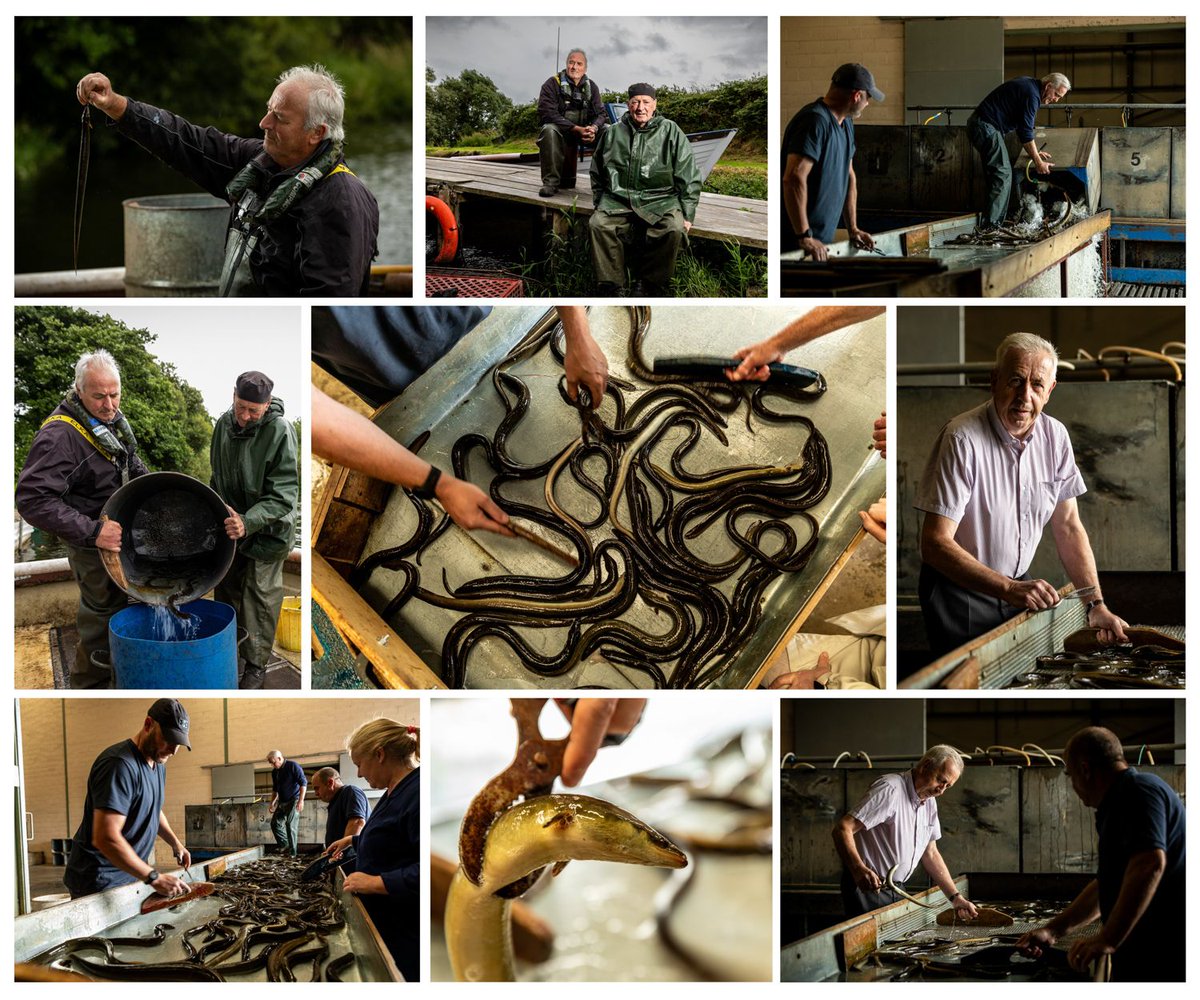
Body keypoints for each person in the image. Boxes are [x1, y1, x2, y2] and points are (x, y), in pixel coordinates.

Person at [75, 65, 379, 296]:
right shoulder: (259, 159)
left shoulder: (341, 201)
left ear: (317, 133)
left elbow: (327, 303)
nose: (264, 123)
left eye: (280, 118)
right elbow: (186, 142)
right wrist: (115, 105)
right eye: (268, 110)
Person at [914, 332, 1128, 657]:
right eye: (1015, 380)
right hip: (960, 593)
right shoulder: (962, 439)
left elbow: (1068, 525)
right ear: (994, 380)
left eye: (1037, 385)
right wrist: (1008, 588)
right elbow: (934, 544)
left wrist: (1095, 604)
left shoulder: (1055, 437)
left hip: (1016, 586)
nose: (1024, 397)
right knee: (969, 679)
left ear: (1050, 390)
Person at [311, 305, 609, 536]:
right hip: (399, 386)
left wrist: (578, 332)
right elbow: (317, 419)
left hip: (477, 319)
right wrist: (439, 484)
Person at [16, 350, 147, 688]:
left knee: (119, 611)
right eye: (99, 395)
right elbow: (32, 500)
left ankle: (116, 673)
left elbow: (133, 466)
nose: (109, 404)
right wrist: (93, 532)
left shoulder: (109, 421)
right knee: (101, 617)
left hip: (117, 535)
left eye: (115, 394)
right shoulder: (60, 436)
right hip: (91, 543)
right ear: (78, 390)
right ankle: (88, 684)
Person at [1018, 727, 1184, 982]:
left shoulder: (1138, 792)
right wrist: (1053, 930)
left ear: (1085, 770)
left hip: (1165, 953)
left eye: (1071, 775)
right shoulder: (1117, 803)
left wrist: (1107, 938)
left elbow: (1149, 864)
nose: (1073, 785)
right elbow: (1107, 885)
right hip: (1140, 950)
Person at [211, 371, 299, 690]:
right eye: (241, 407)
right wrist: (219, 512)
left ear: (266, 406)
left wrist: (248, 521)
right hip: (231, 528)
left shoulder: (281, 431)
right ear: (233, 395)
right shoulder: (222, 425)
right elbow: (216, 478)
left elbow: (284, 495)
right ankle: (228, 654)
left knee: (259, 601)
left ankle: (256, 666)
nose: (245, 417)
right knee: (227, 592)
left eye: (254, 411)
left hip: (268, 531)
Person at [64, 699, 192, 899]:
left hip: (128, 875)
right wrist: (153, 877)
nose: (174, 751)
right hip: (100, 880)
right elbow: (106, 837)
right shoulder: (119, 765)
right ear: (148, 724)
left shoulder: (158, 765)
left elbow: (152, 809)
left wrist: (176, 843)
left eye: (179, 744)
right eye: (168, 739)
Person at [832, 745, 979, 918]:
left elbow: (930, 853)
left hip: (897, 888)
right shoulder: (890, 789)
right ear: (926, 766)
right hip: (868, 888)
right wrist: (858, 870)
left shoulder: (929, 802)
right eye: (940, 780)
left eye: (948, 786)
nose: (941, 790)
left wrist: (955, 898)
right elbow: (843, 828)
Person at [327, 720, 421, 981]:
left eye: (359, 764)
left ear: (379, 755)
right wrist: (353, 842)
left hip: (405, 936)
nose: (358, 774)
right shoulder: (393, 791)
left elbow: (429, 872)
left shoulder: (418, 792)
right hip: (381, 925)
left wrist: (377, 882)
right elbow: (393, 841)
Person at [589, 84, 701, 296]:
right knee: (598, 224)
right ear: (628, 105)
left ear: (655, 105)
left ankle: (649, 285)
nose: (640, 107)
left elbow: (689, 176)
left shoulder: (671, 130)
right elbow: (597, 172)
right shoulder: (612, 133)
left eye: (646, 102)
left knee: (674, 229)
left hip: (661, 199)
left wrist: (687, 213)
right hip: (618, 199)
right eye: (635, 102)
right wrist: (600, 202)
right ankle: (612, 286)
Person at [781, 64, 881, 259]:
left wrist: (853, 229)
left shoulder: (846, 123)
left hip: (819, 242)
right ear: (857, 96)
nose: (868, 103)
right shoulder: (814, 121)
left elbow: (849, 175)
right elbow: (793, 178)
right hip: (796, 244)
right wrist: (804, 235)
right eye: (868, 97)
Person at [968, 73, 1070, 232]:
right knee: (1003, 174)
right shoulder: (1032, 95)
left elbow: (1024, 128)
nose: (1056, 99)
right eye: (1056, 94)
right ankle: (991, 228)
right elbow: (1025, 132)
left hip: (983, 126)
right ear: (1048, 86)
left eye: (1060, 97)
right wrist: (1037, 161)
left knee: (997, 175)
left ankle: (990, 223)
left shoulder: (1029, 86)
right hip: (986, 127)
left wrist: (1034, 153)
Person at [537, 48, 607, 197]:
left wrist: (593, 128)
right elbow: (547, 114)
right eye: (571, 62)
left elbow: (601, 113)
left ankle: (605, 184)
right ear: (567, 64)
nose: (574, 67)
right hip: (560, 133)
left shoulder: (592, 87)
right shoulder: (551, 84)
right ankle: (550, 183)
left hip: (584, 133)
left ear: (585, 68)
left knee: (609, 130)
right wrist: (575, 128)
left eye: (579, 64)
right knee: (548, 129)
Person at [312, 766, 369, 849]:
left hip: (350, 859)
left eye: (317, 788)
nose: (316, 793)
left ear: (330, 783)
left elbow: (357, 823)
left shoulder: (350, 791)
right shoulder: (335, 801)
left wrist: (341, 853)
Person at [266, 750, 307, 857]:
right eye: (270, 763)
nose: (272, 765)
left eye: (273, 762)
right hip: (282, 802)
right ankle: (285, 845)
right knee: (275, 824)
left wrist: (301, 800)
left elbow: (303, 783)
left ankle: (293, 853)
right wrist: (272, 803)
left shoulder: (292, 766)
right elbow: (275, 790)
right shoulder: (275, 772)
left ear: (279, 758)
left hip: (293, 800)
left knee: (290, 825)